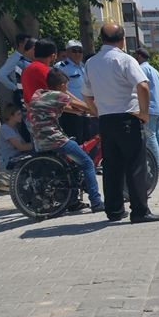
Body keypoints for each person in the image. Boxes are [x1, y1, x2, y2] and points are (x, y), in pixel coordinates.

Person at [82, 23, 159, 223]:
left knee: (111, 166)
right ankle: (139, 211)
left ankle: (115, 210)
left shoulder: (91, 63)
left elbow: (87, 96)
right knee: (136, 165)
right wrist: (144, 113)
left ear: (101, 39)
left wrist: (98, 113)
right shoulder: (125, 60)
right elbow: (143, 86)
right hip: (128, 117)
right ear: (122, 39)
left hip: (106, 120)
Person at [28, 69, 104, 213]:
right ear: (62, 85)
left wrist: (79, 112)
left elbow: (69, 108)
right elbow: (83, 105)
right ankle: (96, 202)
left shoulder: (39, 94)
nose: (67, 89)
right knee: (87, 162)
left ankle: (72, 201)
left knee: (72, 162)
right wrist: (98, 111)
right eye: (66, 86)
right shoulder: (59, 95)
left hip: (38, 141)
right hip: (54, 139)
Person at [134, 48, 159, 172]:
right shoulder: (154, 70)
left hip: (151, 108)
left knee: (150, 136)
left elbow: (140, 88)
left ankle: (157, 165)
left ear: (138, 56)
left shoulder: (142, 69)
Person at [56, 39, 88, 142]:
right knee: (75, 140)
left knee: (87, 140)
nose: (78, 53)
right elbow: (58, 90)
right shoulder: (61, 67)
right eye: (74, 50)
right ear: (67, 52)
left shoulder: (83, 66)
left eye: (80, 51)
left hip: (85, 109)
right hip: (71, 110)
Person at [0, 103, 33, 170]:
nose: (21, 116)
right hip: (9, 161)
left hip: (16, 157)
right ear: (11, 116)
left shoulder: (14, 129)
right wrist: (36, 145)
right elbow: (21, 147)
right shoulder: (5, 129)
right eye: (18, 114)